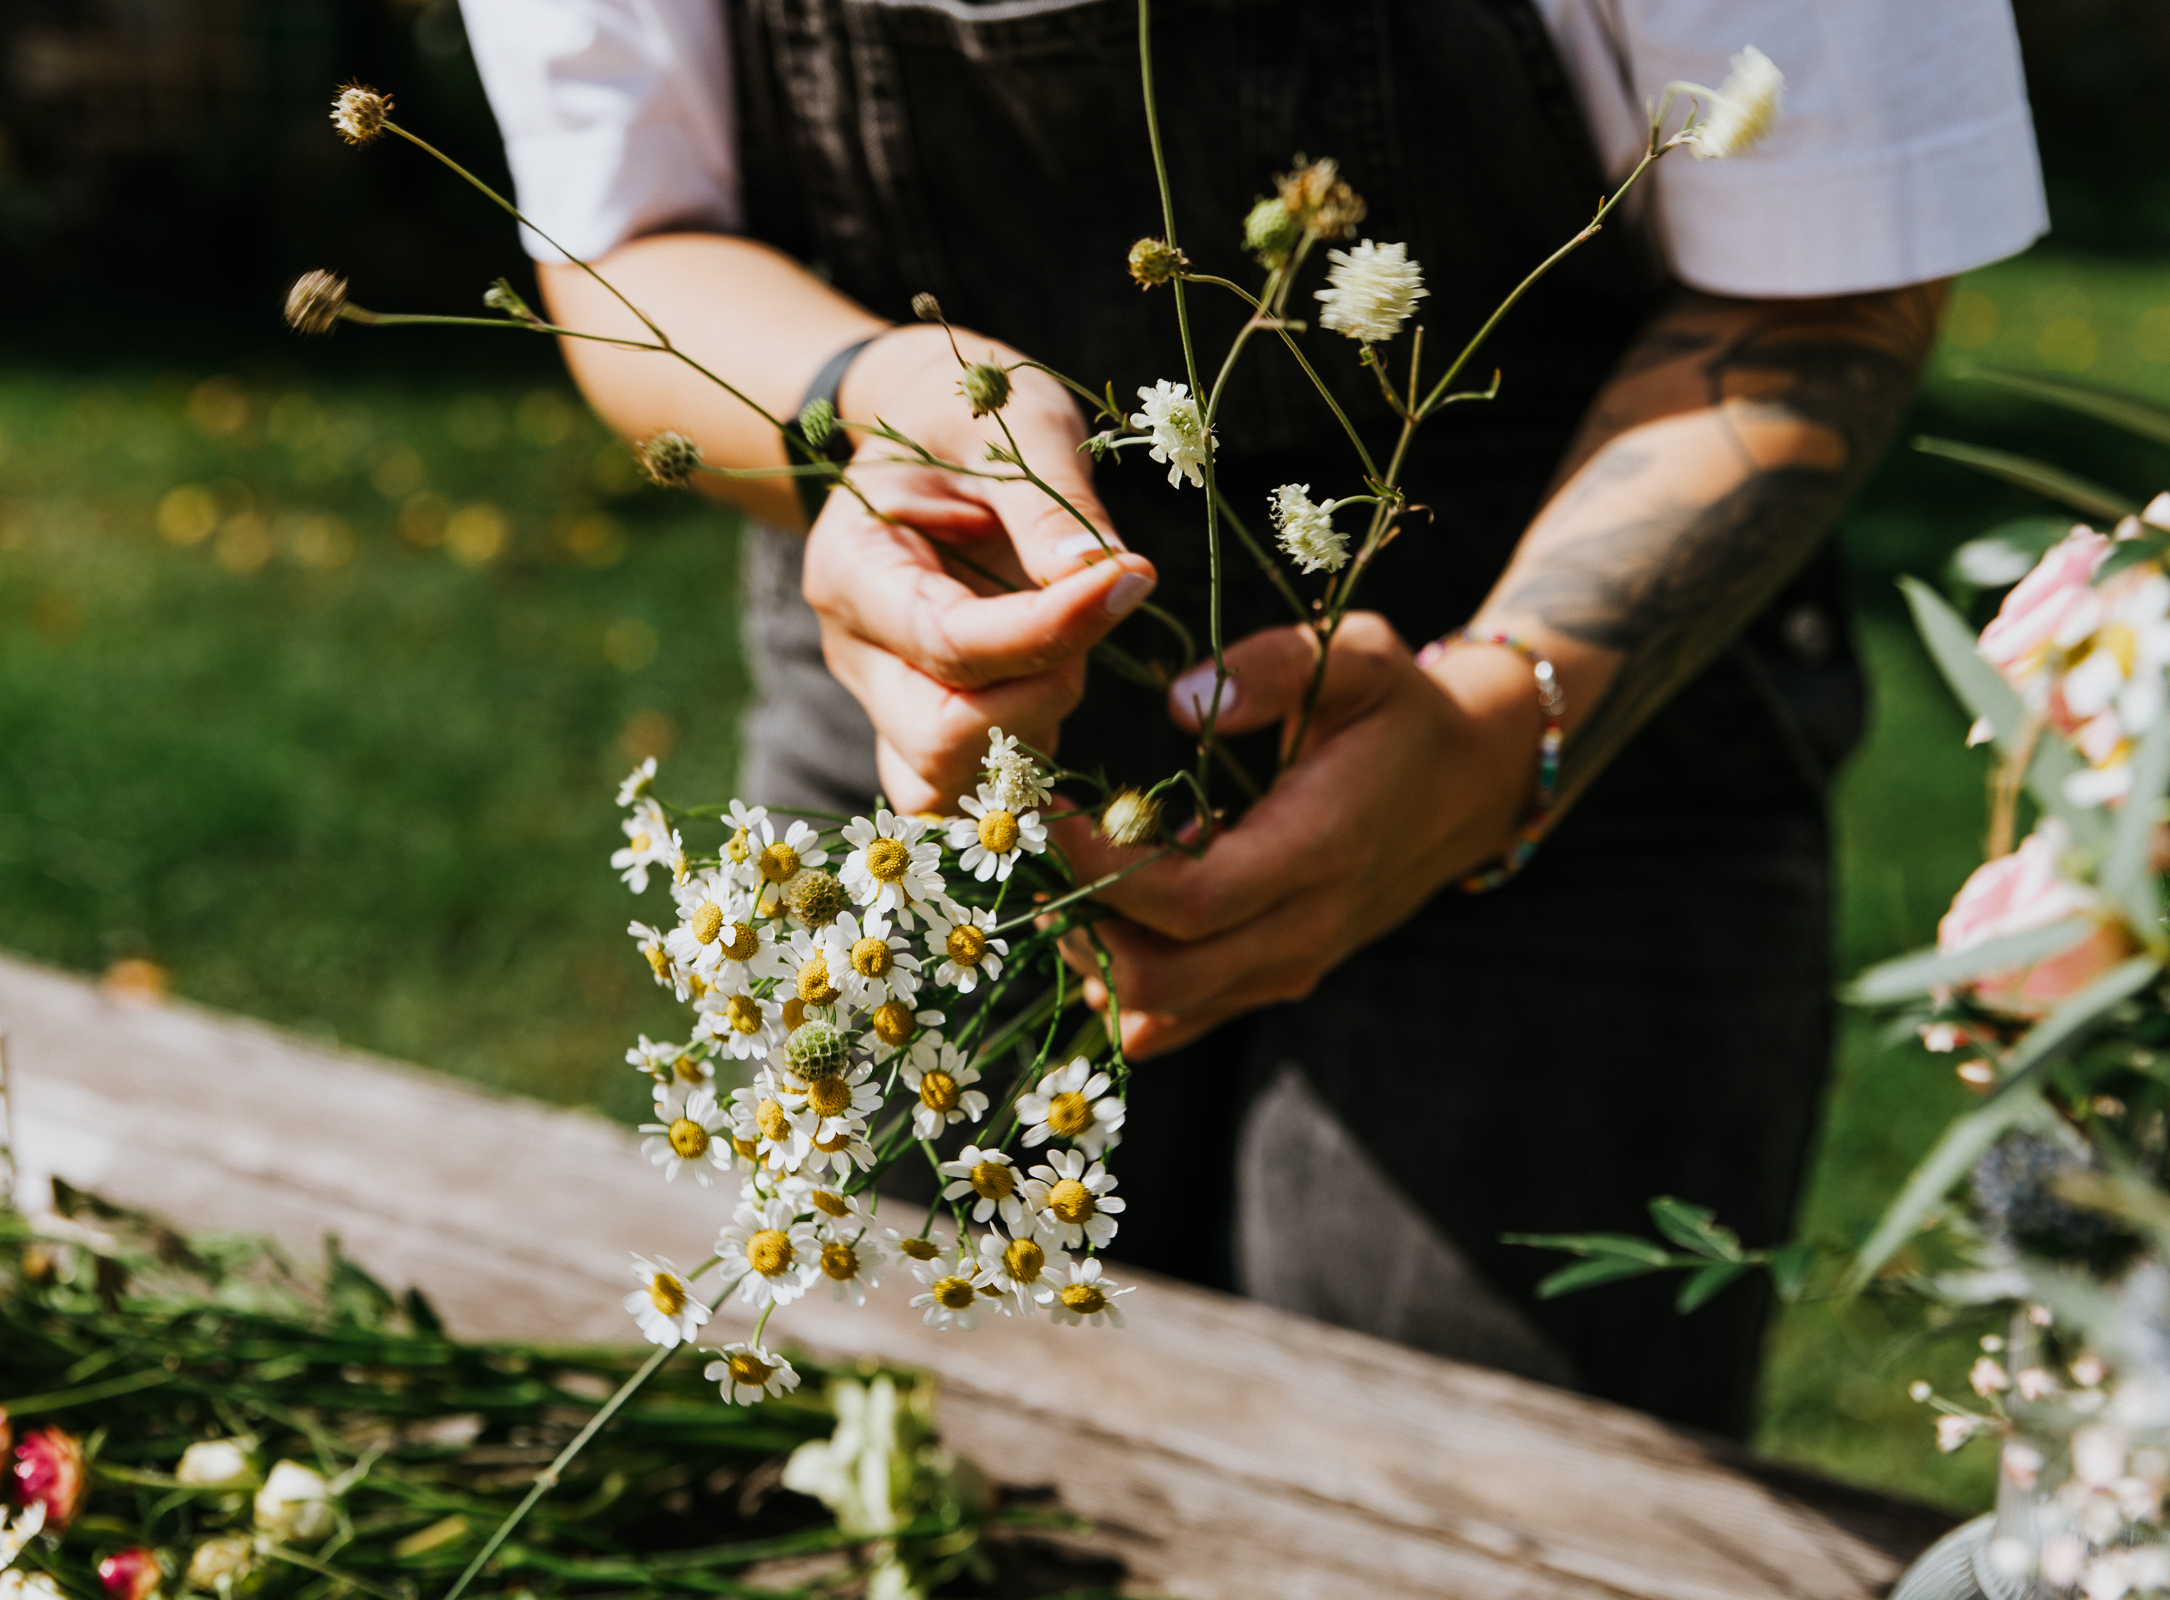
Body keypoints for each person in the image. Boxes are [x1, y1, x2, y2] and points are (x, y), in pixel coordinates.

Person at [458, 0, 2047, 1434]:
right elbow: (626, 245)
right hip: (922, 727)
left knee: (1469, 1502)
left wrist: (1508, 720)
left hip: (1579, 774)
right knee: (893, 1457)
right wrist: (872, 410)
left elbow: (1838, 273)